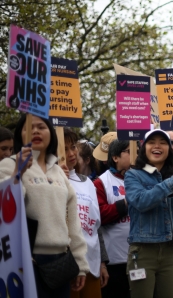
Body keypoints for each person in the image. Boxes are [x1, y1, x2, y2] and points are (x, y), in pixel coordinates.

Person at [0, 115, 89, 297]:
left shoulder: (59, 171)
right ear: (20, 134)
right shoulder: (8, 165)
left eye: (42, 127)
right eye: (29, 128)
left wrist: (80, 264)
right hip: (25, 263)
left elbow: (73, 221)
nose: (35, 131)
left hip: (60, 264)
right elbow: (4, 209)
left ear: (51, 133)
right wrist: (18, 173)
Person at [124, 129, 173, 298]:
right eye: (152, 142)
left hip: (170, 252)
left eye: (163, 142)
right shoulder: (133, 175)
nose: (157, 146)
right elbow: (141, 201)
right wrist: (172, 182)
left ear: (170, 149)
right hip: (143, 253)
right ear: (144, 148)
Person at [63, 128, 110, 298]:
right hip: (67, 266)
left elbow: (96, 226)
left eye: (73, 147)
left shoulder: (88, 183)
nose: (71, 153)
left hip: (92, 264)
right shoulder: (50, 180)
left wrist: (102, 263)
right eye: (64, 149)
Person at [94, 138, 131, 298]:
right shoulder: (100, 182)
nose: (135, 156)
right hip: (114, 261)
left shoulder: (141, 178)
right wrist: (125, 203)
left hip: (138, 258)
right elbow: (99, 215)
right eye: (130, 152)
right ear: (115, 157)